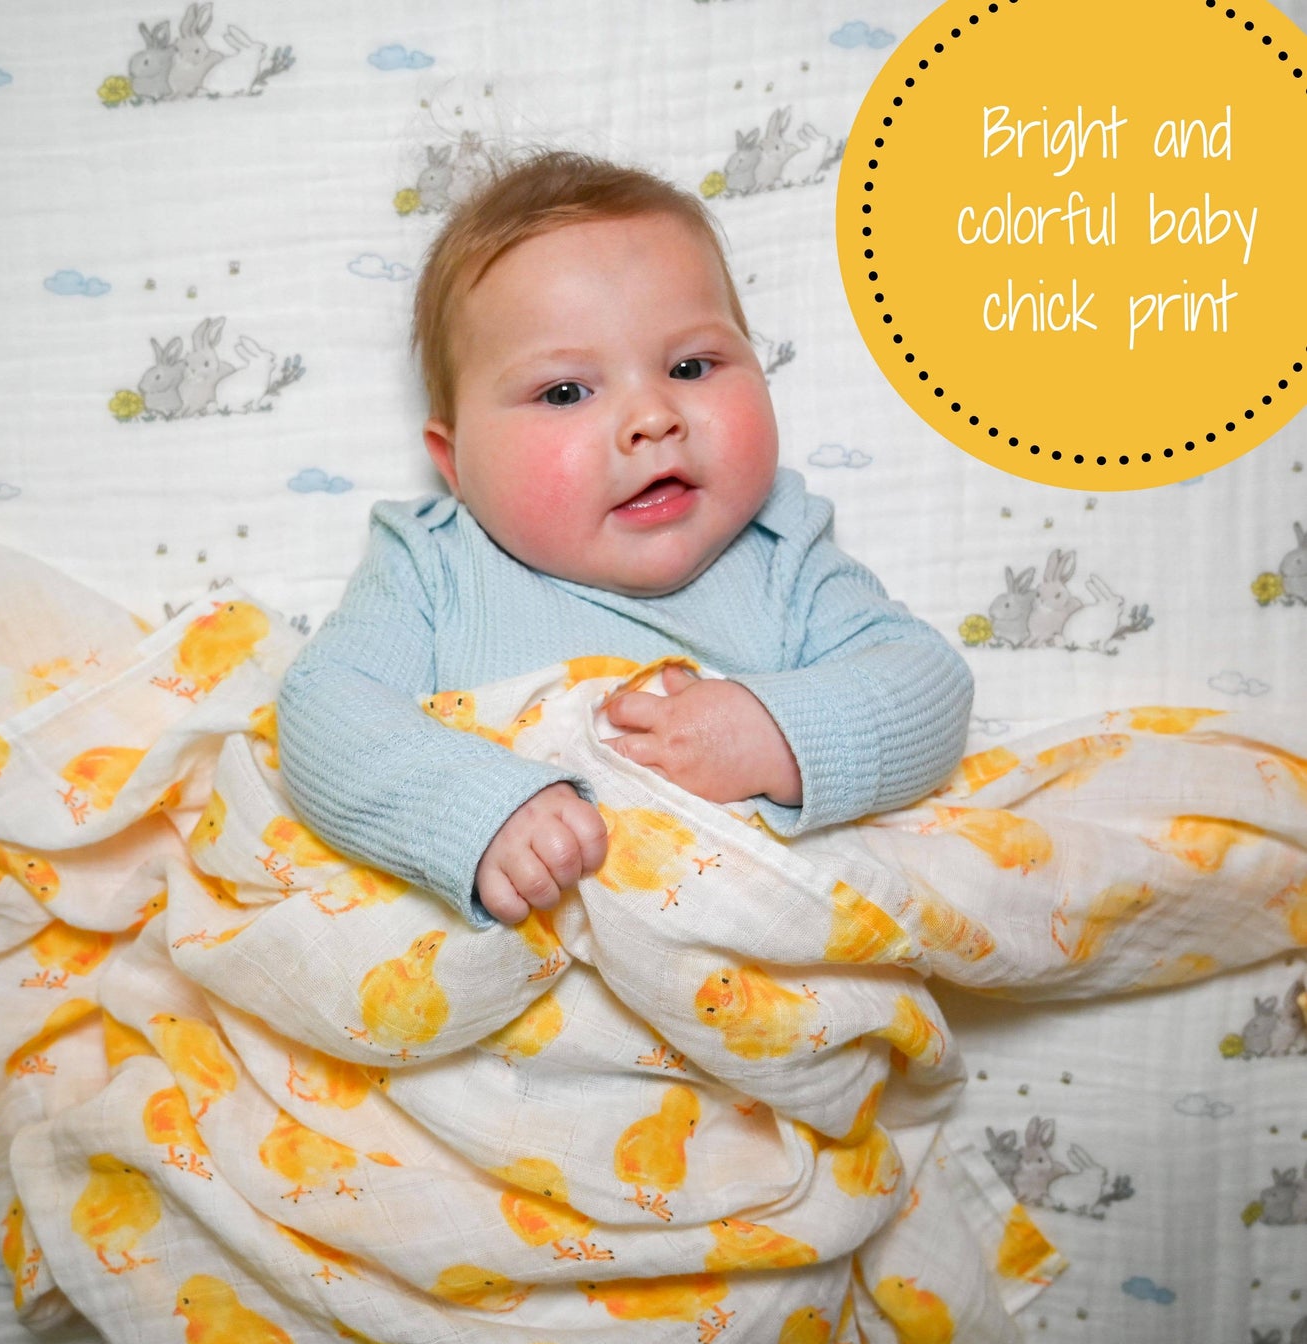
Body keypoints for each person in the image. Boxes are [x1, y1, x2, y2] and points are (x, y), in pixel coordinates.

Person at [276, 151, 972, 927]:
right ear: (455, 462)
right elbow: (324, 713)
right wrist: (479, 810)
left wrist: (777, 730)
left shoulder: (780, 550)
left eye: (690, 365)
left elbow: (928, 683)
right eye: (566, 391)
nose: (652, 417)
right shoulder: (435, 564)